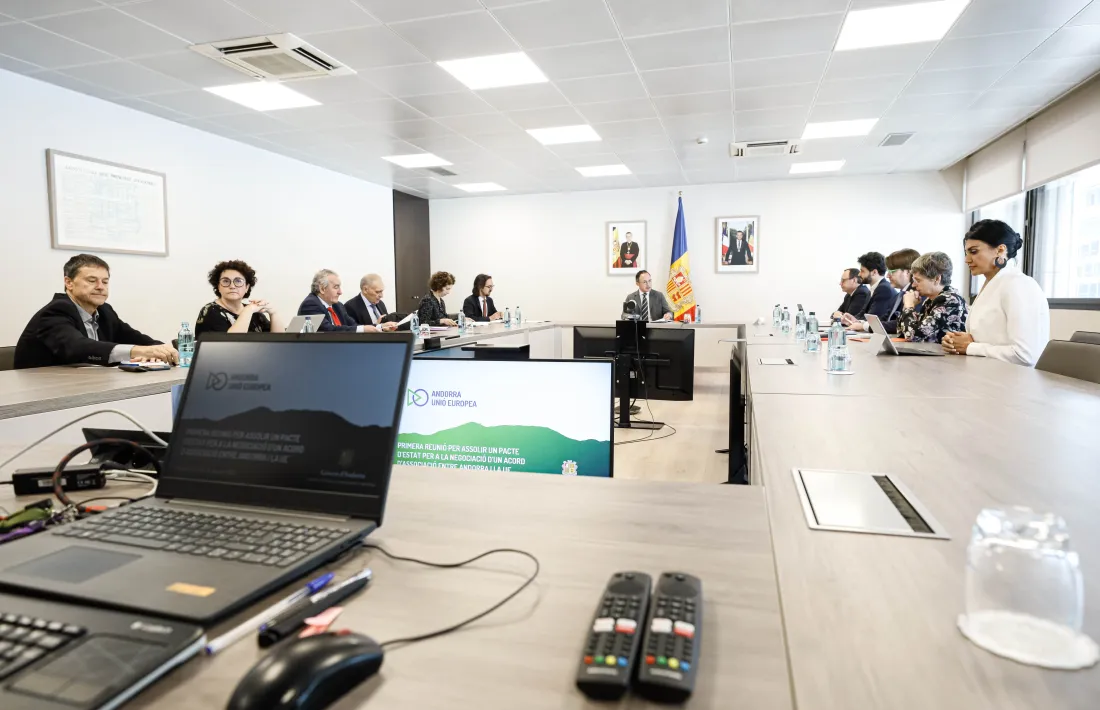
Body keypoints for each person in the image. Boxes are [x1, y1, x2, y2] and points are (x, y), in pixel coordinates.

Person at [14, 253, 177, 369]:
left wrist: (163, 349)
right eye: (92, 280)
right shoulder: (55, 311)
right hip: (43, 394)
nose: (100, 287)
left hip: (87, 386)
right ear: (69, 283)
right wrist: (137, 351)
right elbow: (78, 347)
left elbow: (135, 338)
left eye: (105, 282)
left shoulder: (104, 311)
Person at [942, 220, 1050, 365]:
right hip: (986, 376)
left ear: (1000, 250)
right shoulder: (993, 284)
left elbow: (1026, 355)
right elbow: (991, 338)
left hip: (1013, 383)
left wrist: (970, 347)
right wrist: (958, 340)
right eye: (966, 253)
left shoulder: (1019, 284)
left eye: (974, 252)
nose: (967, 260)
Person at [194, 259, 286, 337]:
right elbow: (231, 345)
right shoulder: (210, 311)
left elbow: (280, 343)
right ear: (218, 286)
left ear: (247, 287)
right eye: (226, 281)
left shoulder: (255, 314)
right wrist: (248, 310)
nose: (232, 286)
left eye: (238, 281)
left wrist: (274, 313)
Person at [897, 252, 968, 343]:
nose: (913, 285)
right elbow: (901, 332)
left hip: (945, 356)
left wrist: (908, 306)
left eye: (918, 280)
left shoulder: (950, 300)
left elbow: (913, 336)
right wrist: (908, 308)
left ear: (937, 279)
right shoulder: (930, 300)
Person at [846, 248, 920, 334]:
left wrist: (864, 326)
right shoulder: (899, 295)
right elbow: (884, 319)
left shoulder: (916, 294)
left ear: (907, 272)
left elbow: (899, 324)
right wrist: (859, 323)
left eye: (892, 272)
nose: (888, 276)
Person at [297, 269, 376, 333]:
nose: (340, 292)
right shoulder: (310, 304)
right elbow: (329, 330)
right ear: (322, 289)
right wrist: (363, 329)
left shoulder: (338, 305)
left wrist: (380, 327)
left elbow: (353, 326)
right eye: (336, 287)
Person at [856, 251, 897, 320]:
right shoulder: (873, 288)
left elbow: (873, 318)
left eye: (862, 271)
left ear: (874, 272)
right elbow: (862, 314)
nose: (859, 274)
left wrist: (856, 322)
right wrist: (851, 319)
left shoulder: (883, 289)